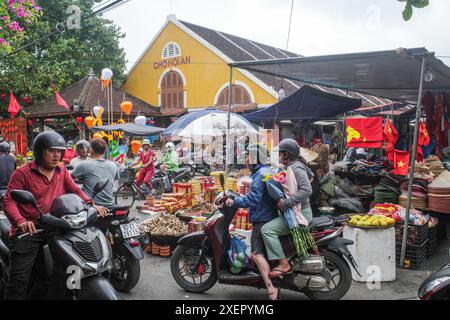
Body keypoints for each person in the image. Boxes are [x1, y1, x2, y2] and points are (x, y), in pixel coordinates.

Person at [2, 132, 108, 300]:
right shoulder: (22, 173)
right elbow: (8, 201)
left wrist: (91, 204)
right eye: (51, 150)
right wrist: (21, 221)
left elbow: (75, 190)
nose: (57, 155)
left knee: (70, 266)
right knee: (19, 282)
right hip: (31, 230)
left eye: (59, 151)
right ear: (39, 151)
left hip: (58, 225)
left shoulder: (62, 170)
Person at [225, 144, 280, 300]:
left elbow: (254, 199)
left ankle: (271, 288)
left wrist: (235, 200)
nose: (247, 159)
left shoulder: (260, 173)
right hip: (269, 214)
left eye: (249, 156)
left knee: (255, 254)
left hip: (262, 218)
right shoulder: (266, 170)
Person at [261, 138, 313, 278]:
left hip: (300, 212)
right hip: (295, 210)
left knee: (267, 230)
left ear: (287, 154)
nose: (280, 156)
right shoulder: (290, 166)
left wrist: (287, 203)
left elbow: (307, 190)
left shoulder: (296, 168)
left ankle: (284, 264)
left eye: (281, 153)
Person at [72, 139, 118, 208]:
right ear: (105, 151)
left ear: (91, 150)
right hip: (110, 205)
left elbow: (69, 180)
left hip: (92, 207)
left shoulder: (84, 165)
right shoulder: (114, 165)